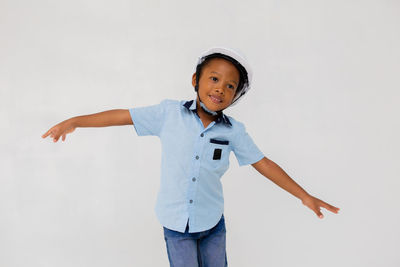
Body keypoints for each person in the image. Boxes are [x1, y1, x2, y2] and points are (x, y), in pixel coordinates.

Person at [42, 46, 340, 267]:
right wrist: (76, 120)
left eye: (230, 86)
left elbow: (263, 163)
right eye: (214, 78)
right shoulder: (169, 114)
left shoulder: (234, 131)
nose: (220, 88)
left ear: (235, 97)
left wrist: (303, 195)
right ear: (196, 79)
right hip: (176, 226)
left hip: (212, 224)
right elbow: (124, 115)